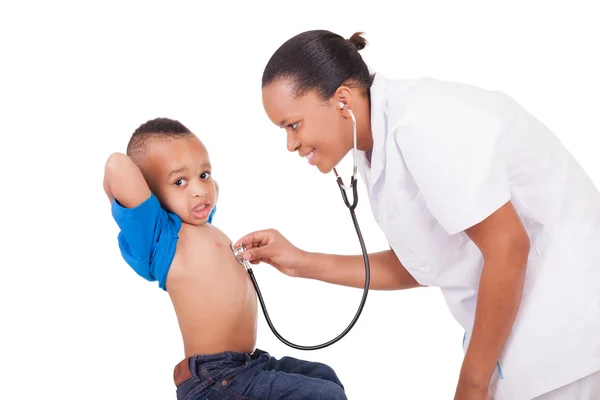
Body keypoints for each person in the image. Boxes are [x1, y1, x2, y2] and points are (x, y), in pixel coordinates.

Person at [235, 30, 600, 400]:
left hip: (566, 332)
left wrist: (471, 386)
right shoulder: (373, 144)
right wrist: (300, 263)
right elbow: (425, 263)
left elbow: (507, 247)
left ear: (342, 99)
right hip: (534, 346)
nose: (291, 144)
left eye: (293, 125)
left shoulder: (424, 124)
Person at [103, 117, 347, 400]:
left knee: (324, 377)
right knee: (323, 395)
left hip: (247, 365)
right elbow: (116, 165)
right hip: (214, 378)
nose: (199, 189)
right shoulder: (160, 238)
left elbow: (206, 191)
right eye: (179, 181)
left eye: (204, 175)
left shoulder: (206, 227)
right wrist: (148, 200)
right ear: (151, 195)